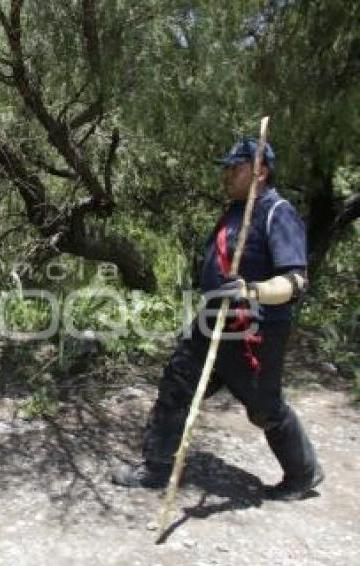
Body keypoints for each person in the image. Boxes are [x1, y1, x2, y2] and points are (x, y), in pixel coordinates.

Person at [111, 137, 323, 501]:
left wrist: (250, 291)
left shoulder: (277, 212)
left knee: (264, 409)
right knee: (177, 385)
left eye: (235, 168)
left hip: (254, 332)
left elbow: (296, 282)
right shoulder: (234, 211)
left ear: (260, 172)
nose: (226, 174)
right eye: (226, 167)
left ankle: (303, 474)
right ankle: (157, 466)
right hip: (211, 323)